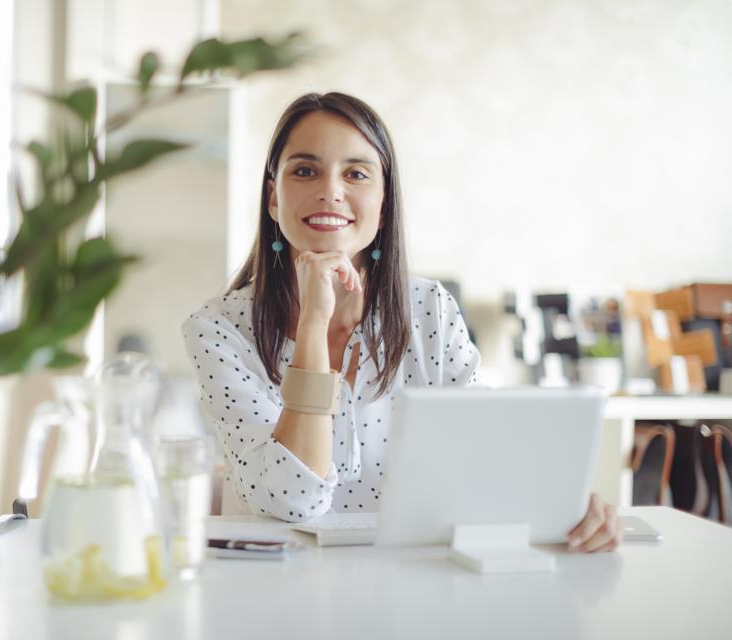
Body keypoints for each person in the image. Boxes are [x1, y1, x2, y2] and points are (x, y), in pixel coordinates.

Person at [181, 92, 622, 553]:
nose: (330, 190)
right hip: (273, 590)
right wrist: (314, 323)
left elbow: (486, 455)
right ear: (273, 198)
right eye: (305, 170)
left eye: (356, 173)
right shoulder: (217, 329)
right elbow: (294, 498)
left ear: (384, 204)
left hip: (414, 581)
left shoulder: (430, 308)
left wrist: (571, 507)